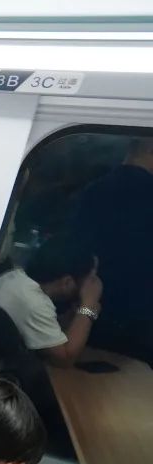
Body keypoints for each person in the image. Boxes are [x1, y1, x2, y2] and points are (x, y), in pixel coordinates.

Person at [70, 136, 153, 362]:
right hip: (143, 310)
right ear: (149, 148)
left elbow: (76, 245)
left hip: (93, 300)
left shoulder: (93, 191)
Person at [0, 242, 102, 367]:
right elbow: (65, 358)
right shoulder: (33, 303)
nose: (94, 284)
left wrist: (76, 314)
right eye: (90, 280)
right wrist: (88, 306)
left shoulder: (17, 278)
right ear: (67, 282)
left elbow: (51, 335)